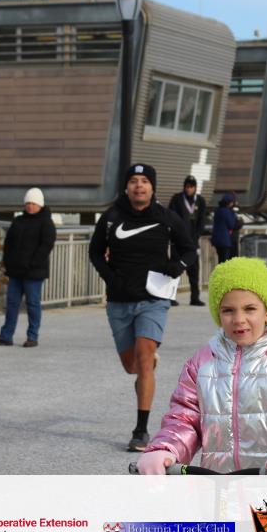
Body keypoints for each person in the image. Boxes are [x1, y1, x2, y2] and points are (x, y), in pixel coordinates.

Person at [136, 257, 267, 474]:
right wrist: (165, 448)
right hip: (217, 485)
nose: (239, 319)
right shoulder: (201, 362)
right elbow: (184, 418)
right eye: (228, 310)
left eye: (250, 309)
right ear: (218, 315)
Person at [88, 163, 197, 452]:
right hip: (119, 300)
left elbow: (190, 250)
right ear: (127, 187)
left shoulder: (166, 217)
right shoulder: (112, 217)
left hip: (153, 299)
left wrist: (177, 266)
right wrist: (109, 277)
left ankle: (141, 431)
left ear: (152, 187)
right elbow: (94, 252)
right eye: (134, 181)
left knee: (144, 360)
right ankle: (144, 360)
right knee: (132, 366)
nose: (139, 185)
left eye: (145, 181)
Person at [0, 188, 56, 347]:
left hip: (34, 272)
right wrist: (7, 261)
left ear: (40, 204)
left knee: (32, 304)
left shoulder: (46, 223)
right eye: (28, 203)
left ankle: (32, 336)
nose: (30, 206)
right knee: (12, 303)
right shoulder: (18, 221)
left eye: (33, 203)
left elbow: (46, 245)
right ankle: (6, 336)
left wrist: (33, 263)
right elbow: (9, 243)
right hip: (16, 271)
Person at [167, 175, 207, 306]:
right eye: (187, 186)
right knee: (175, 269)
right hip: (178, 241)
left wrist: (197, 236)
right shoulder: (177, 199)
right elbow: (171, 217)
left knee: (194, 271)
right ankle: (170, 297)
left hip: (192, 242)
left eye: (191, 187)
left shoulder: (200, 201)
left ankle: (195, 297)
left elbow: (202, 220)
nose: (188, 189)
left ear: (195, 188)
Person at [210, 192, 239, 264]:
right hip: (225, 241)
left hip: (217, 240)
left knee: (221, 259)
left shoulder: (218, 211)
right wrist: (239, 222)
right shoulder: (227, 212)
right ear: (229, 203)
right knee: (225, 261)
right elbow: (231, 225)